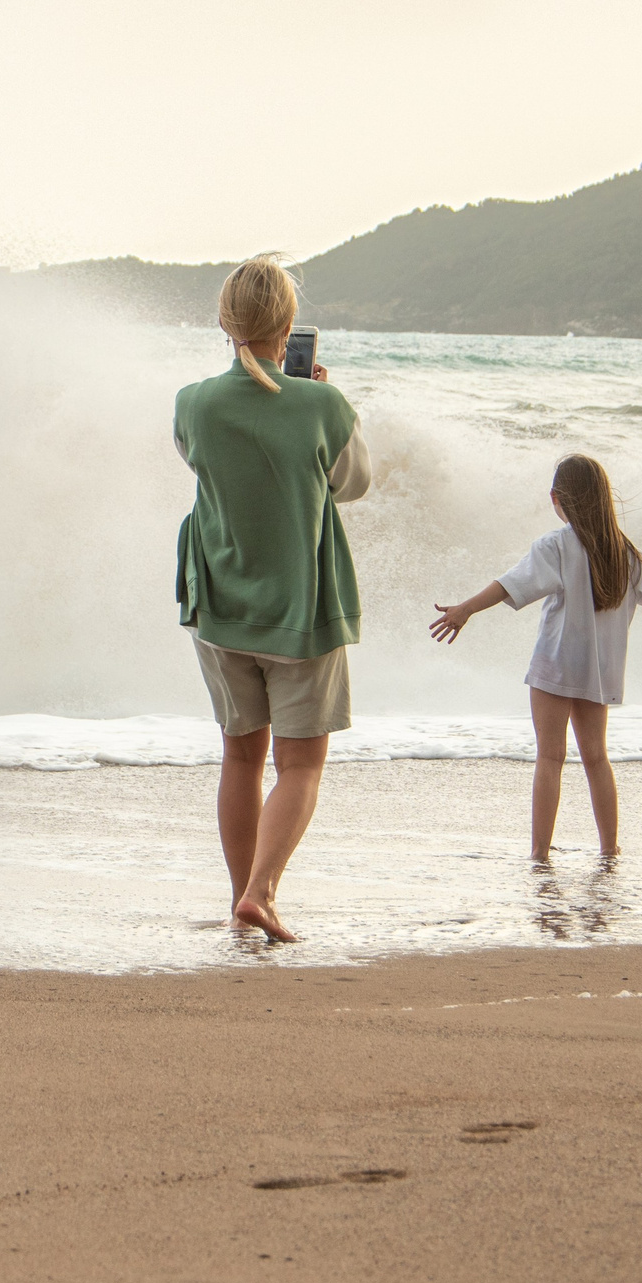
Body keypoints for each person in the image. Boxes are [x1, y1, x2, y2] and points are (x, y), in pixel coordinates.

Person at [173, 256, 372, 942]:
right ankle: (261, 891)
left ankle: (241, 897)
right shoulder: (322, 405)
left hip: (220, 605)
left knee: (240, 756)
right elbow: (354, 484)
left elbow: (197, 455)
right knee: (302, 764)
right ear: (288, 326)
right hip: (302, 612)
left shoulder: (193, 401)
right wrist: (313, 395)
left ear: (225, 324)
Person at [428, 453, 642, 862]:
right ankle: (609, 849)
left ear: (557, 498)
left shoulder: (556, 545)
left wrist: (465, 609)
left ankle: (540, 853)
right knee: (597, 758)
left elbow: (510, 584)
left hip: (555, 665)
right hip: (599, 672)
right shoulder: (624, 552)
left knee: (550, 756)